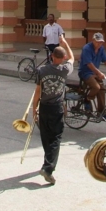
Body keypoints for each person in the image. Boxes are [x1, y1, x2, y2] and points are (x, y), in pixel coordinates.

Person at [31, 36, 74, 185]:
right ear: (62, 58)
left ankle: (46, 162)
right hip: (57, 107)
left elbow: (37, 92)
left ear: (51, 56)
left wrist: (33, 108)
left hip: (44, 106)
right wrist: (66, 43)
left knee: (46, 137)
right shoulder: (64, 69)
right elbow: (73, 58)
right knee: (55, 139)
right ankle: (48, 168)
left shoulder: (42, 70)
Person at [78, 32, 106, 122]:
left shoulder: (101, 49)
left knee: (102, 90)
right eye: (97, 42)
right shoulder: (87, 49)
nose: (99, 44)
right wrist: (99, 72)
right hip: (85, 72)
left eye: (101, 42)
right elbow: (89, 64)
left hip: (94, 73)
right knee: (96, 87)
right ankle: (87, 99)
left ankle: (101, 113)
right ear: (93, 40)